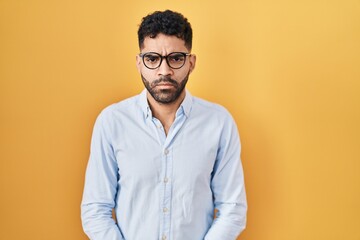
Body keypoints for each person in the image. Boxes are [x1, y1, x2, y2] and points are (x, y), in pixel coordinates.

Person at [81, 10, 247, 240]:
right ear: (139, 63)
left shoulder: (219, 123)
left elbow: (233, 207)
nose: (164, 71)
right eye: (152, 59)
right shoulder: (112, 122)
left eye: (176, 58)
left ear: (191, 62)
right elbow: (95, 209)